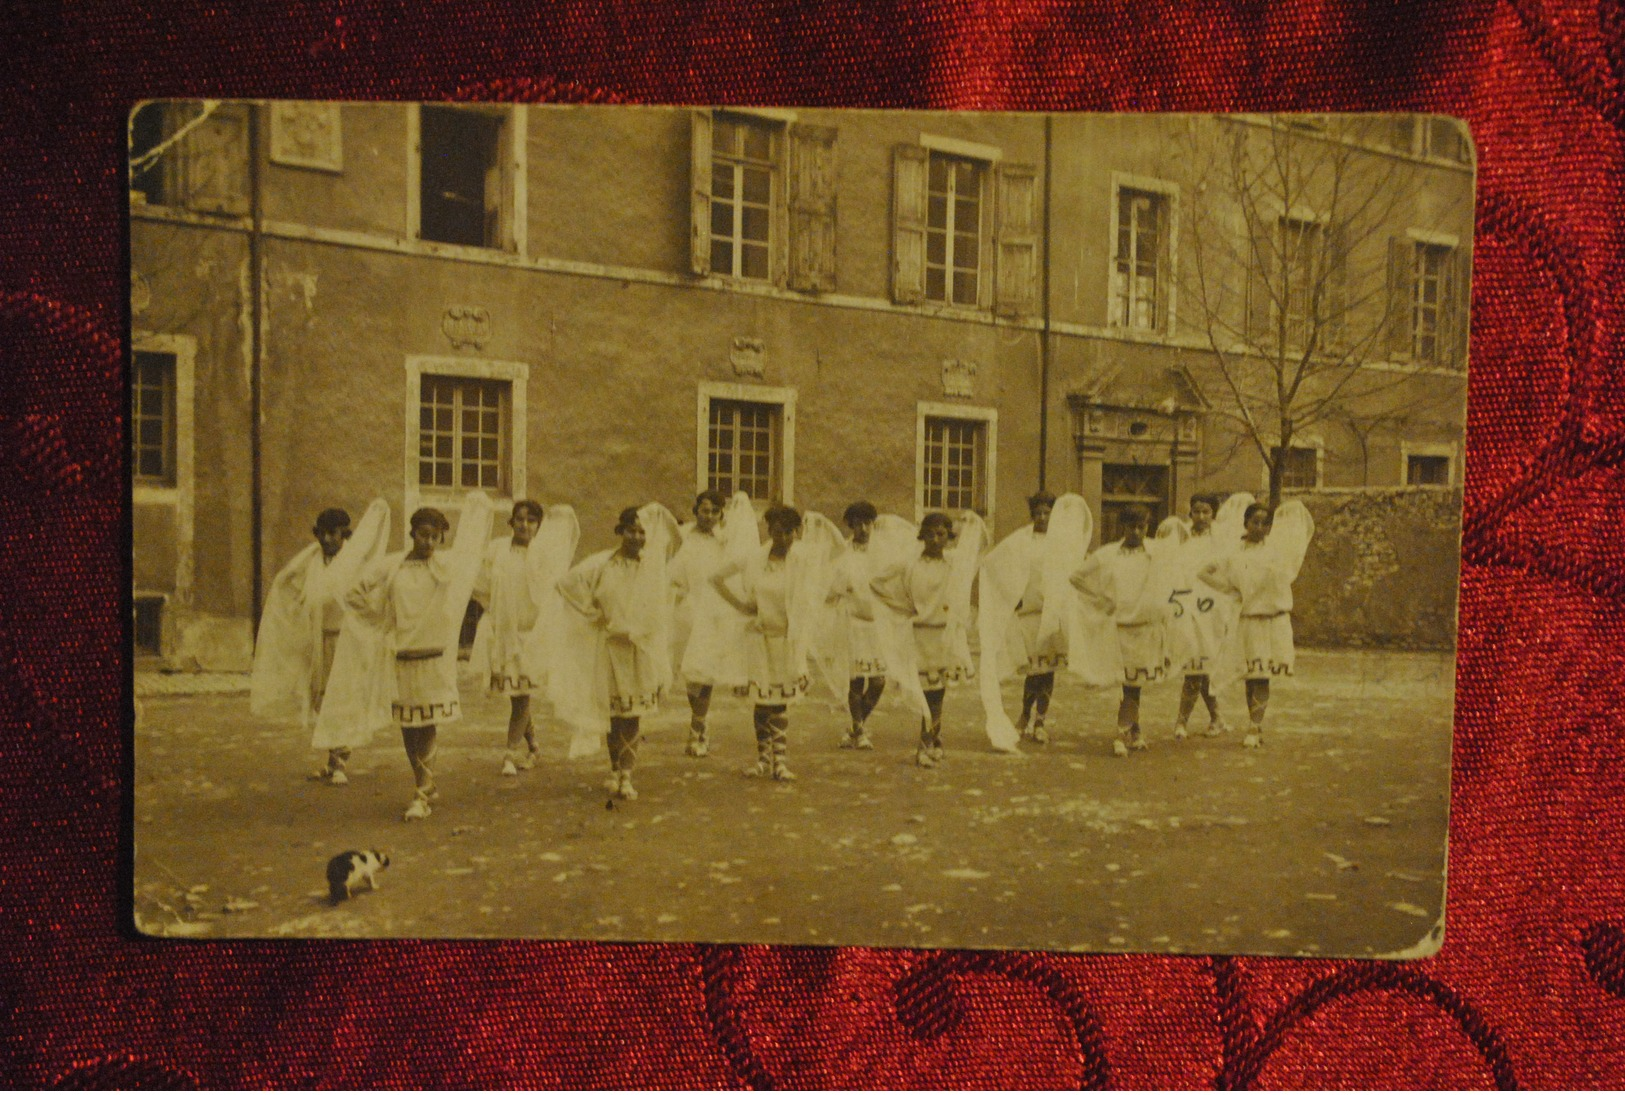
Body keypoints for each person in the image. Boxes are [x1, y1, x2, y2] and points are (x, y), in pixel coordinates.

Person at [341, 494, 494, 821]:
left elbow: (475, 565)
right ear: (412, 533)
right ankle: (423, 781)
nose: (428, 541)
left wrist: (478, 513)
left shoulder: (447, 566)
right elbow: (353, 592)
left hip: (434, 656)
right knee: (408, 725)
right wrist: (378, 620)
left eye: (435, 536)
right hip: (400, 656)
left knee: (427, 724)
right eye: (422, 534)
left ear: (441, 538)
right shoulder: (391, 566)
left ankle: (422, 790)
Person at [250, 501, 389, 785]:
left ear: (345, 535)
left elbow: (368, 595)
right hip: (318, 637)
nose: (327, 540)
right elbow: (287, 582)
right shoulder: (311, 560)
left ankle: (341, 762)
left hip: (346, 638)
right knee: (323, 698)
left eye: (333, 534)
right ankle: (331, 760)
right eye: (322, 534)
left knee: (344, 696)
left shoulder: (355, 562)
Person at [554, 504, 681, 801]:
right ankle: (614, 769)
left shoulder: (652, 569)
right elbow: (565, 584)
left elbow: (678, 543)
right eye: (631, 530)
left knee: (633, 714)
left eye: (642, 531)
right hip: (609, 648)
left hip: (639, 649)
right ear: (620, 531)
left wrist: (661, 514)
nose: (636, 536)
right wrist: (591, 612)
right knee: (614, 713)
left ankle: (627, 775)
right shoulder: (601, 563)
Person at [710, 503, 842, 781]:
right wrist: (742, 605)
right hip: (759, 638)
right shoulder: (755, 557)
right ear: (769, 531)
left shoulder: (803, 558)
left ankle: (780, 762)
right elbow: (716, 578)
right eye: (776, 532)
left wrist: (823, 523)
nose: (781, 539)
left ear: (797, 532)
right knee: (762, 701)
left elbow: (838, 552)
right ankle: (762, 758)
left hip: (787, 639)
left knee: (780, 702)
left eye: (788, 533)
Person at [469, 499, 579, 776]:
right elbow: (480, 585)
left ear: (539, 526)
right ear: (511, 522)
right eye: (519, 519)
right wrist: (496, 613)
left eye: (531, 521)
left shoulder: (544, 555)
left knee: (520, 696)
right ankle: (533, 746)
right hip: (502, 631)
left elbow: (551, 593)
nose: (524, 525)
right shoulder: (496, 550)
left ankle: (509, 753)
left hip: (531, 636)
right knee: (517, 694)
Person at [872, 510, 989, 768]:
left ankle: (934, 739)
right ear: (922, 535)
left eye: (942, 534)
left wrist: (971, 522)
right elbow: (877, 582)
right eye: (931, 533)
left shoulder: (954, 563)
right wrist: (902, 605)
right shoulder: (909, 563)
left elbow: (982, 547)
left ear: (949, 537)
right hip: (919, 636)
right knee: (926, 693)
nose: (936, 540)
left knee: (938, 693)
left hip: (945, 636)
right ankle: (925, 744)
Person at [1197, 500, 1315, 749]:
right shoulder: (1234, 553)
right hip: (1248, 621)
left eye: (1265, 523)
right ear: (1246, 524)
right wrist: (1231, 589)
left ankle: (1254, 725)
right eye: (1255, 522)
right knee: (1251, 675)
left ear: (1271, 527)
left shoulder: (1276, 554)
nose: (1260, 527)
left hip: (1272, 621)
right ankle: (1254, 722)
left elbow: (1284, 579)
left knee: (1262, 676)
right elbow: (1205, 571)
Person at [1069, 506, 1177, 757]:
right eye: (1132, 527)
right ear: (1122, 527)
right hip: (1119, 630)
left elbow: (1179, 563)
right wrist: (1101, 598)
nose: (1137, 532)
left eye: (1142, 527)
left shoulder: (1157, 553)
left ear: (1148, 527)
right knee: (1129, 685)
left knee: (1135, 684)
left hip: (1146, 629)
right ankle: (1122, 733)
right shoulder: (1107, 555)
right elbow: (1076, 577)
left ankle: (1134, 731)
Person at [1167, 493, 1240, 740]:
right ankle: (1212, 717)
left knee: (1201, 664)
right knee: (1194, 662)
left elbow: (1228, 573)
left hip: (1212, 609)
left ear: (1213, 514)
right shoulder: (1182, 537)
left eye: (1206, 512)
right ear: (1190, 513)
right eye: (1196, 511)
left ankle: (1186, 721)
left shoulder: (1221, 541)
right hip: (1186, 605)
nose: (1201, 517)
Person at [668, 490, 733, 758]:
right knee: (691, 674)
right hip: (686, 610)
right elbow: (669, 568)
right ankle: (699, 721)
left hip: (714, 612)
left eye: (715, 512)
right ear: (696, 511)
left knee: (704, 672)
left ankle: (698, 727)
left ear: (721, 515)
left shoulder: (724, 542)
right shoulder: (682, 537)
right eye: (704, 510)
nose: (709, 516)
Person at [826, 501, 887, 750]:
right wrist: (841, 588)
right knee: (856, 681)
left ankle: (854, 726)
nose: (863, 528)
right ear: (850, 526)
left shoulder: (882, 554)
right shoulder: (844, 555)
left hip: (877, 626)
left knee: (878, 682)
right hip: (852, 624)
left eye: (868, 523)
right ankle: (859, 729)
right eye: (858, 524)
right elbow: (831, 590)